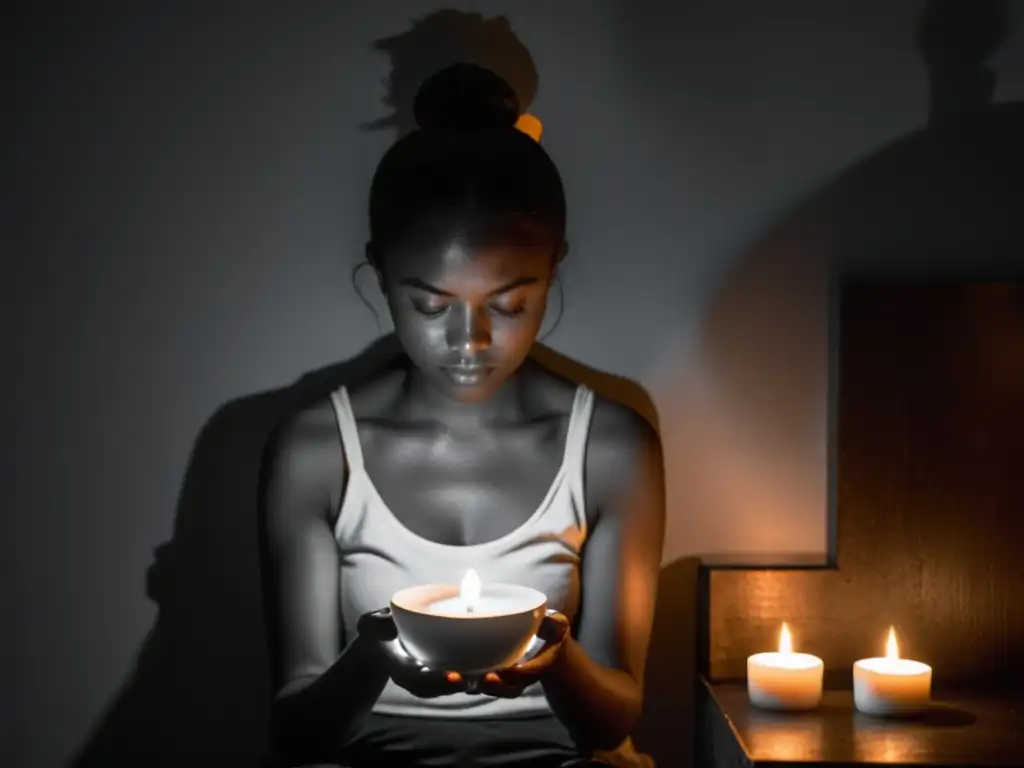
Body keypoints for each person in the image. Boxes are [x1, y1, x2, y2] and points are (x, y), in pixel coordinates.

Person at [261, 62, 665, 768]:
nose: (471, 342)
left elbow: (613, 717)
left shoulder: (610, 447)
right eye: (431, 306)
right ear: (380, 275)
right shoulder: (318, 451)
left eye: (510, 305)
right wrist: (374, 659)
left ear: (553, 269)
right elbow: (296, 728)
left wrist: (555, 664)